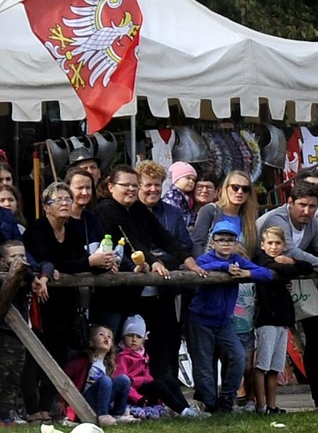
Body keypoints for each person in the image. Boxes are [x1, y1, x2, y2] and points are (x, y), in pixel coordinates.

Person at [22, 182, 112, 421]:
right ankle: (32, 409)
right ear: (45, 207)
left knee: (60, 355)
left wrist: (101, 264)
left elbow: (76, 261)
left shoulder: (72, 230)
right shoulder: (37, 230)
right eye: (58, 200)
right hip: (40, 301)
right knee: (35, 355)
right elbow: (48, 262)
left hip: (65, 303)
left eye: (67, 199)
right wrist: (86, 263)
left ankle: (47, 405)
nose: (64, 203)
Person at [256, 182, 318, 411]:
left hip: (298, 285)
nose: (306, 211)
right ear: (290, 203)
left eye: (312, 206)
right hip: (267, 289)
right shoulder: (276, 219)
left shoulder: (313, 224)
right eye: (302, 205)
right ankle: (258, 403)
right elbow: (288, 251)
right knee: (265, 350)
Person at [94, 165, 204, 338]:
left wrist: (187, 259)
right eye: (126, 185)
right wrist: (154, 261)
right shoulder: (106, 208)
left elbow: (161, 234)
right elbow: (130, 240)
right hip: (112, 292)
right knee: (109, 340)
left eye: (134, 185)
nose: (131, 189)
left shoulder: (137, 208)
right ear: (111, 187)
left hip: (134, 291)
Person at [191, 221, 272, 414]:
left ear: (236, 242)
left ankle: (227, 397)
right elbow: (202, 266)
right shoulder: (204, 258)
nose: (226, 244)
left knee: (239, 356)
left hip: (224, 321)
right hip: (201, 319)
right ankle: (211, 404)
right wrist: (224, 267)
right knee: (203, 364)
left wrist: (246, 272)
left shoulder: (238, 260)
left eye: (230, 240)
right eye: (221, 240)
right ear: (213, 242)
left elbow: (266, 273)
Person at [133, 160, 192, 379]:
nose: (153, 189)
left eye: (157, 184)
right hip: (136, 292)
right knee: (136, 342)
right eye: (148, 184)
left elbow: (184, 246)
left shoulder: (172, 213)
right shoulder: (130, 213)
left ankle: (169, 394)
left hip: (166, 290)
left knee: (168, 342)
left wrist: (159, 258)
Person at [253, 227, 313, 415]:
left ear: (284, 245)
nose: (273, 247)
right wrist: (288, 268)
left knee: (275, 367)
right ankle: (261, 405)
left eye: (278, 243)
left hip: (282, 319)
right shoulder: (262, 260)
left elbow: (307, 267)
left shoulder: (284, 261)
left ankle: (272, 405)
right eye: (269, 243)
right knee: (262, 365)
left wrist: (291, 261)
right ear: (263, 245)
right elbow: (279, 269)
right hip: (266, 319)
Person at [114, 314, 207, 419]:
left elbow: (147, 376)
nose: (134, 339)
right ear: (123, 336)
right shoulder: (122, 357)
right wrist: (138, 398)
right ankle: (184, 411)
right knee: (158, 385)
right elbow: (123, 383)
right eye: (130, 335)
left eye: (138, 336)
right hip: (134, 395)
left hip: (144, 389)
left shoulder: (143, 354)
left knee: (169, 380)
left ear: (144, 338)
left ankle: (186, 408)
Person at [0, 241, 42, 425]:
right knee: (3, 374)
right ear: (3, 261)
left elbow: (45, 265)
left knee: (15, 377)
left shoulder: (27, 275)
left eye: (23, 256)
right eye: (14, 257)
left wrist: (37, 276)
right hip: (4, 331)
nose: (20, 260)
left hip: (21, 333)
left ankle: (6, 414)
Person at [64, 325, 137, 426]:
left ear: (111, 346)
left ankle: (118, 414)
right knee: (106, 380)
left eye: (109, 336)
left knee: (124, 379)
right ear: (91, 342)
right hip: (83, 402)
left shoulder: (107, 366)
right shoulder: (84, 360)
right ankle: (103, 415)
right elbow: (65, 377)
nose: (106, 337)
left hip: (100, 401)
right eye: (101, 335)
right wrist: (61, 400)